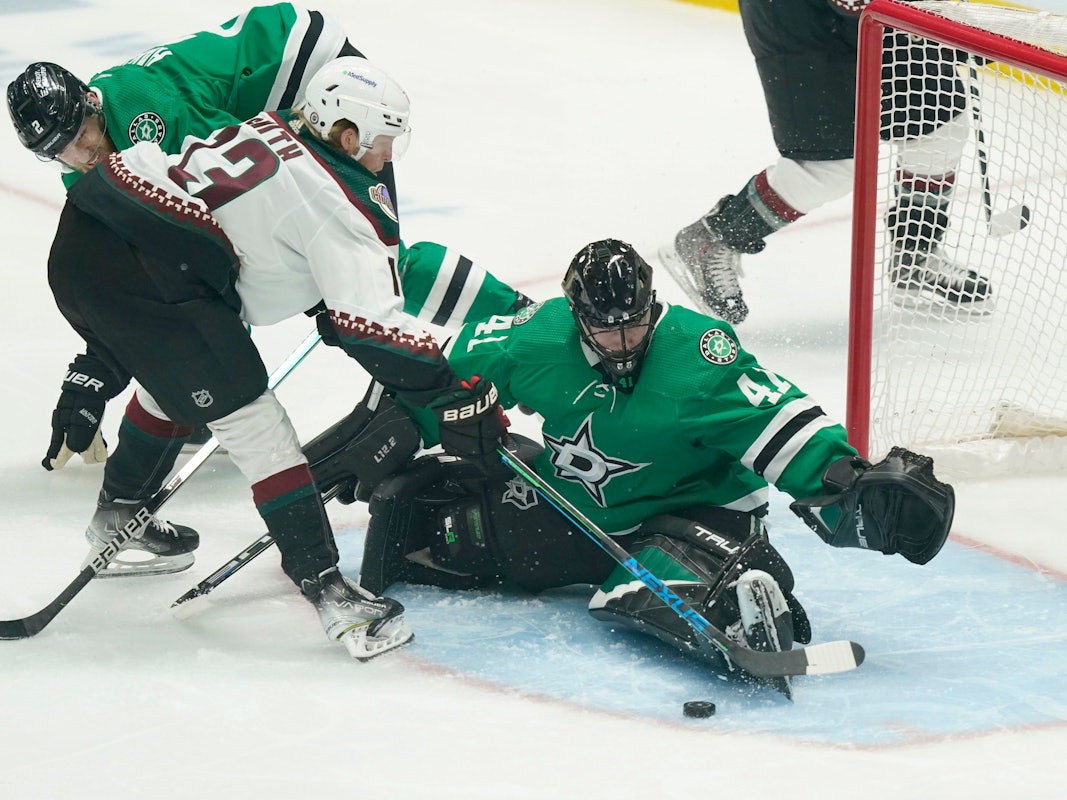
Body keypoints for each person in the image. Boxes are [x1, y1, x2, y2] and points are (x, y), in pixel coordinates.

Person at [302, 238, 955, 692]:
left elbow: (778, 419)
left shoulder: (700, 356)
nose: (621, 341)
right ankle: (695, 581)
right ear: (579, 317)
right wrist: (386, 427)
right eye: (605, 328)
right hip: (579, 504)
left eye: (633, 324)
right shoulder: (538, 338)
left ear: (650, 307)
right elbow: (440, 376)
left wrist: (844, 481)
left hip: (698, 510)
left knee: (659, 584)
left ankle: (740, 590)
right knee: (442, 540)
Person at [35, 56, 512, 661]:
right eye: (384, 143)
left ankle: (118, 515)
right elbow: (370, 330)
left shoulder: (276, 126)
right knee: (257, 427)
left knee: (173, 380)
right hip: (148, 278)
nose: (389, 159)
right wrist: (449, 395)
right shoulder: (339, 207)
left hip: (85, 237)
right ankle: (333, 595)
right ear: (348, 136)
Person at [6, 3, 527, 467]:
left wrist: (320, 290)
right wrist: (98, 368)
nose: (79, 155)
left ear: (91, 106)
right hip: (273, 87)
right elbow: (145, 267)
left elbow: (224, 212)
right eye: (56, 151)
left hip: (310, 71)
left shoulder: (146, 113)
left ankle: (521, 317)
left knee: (370, 250)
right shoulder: (83, 167)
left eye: (80, 136)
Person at [657, 0, 993, 324]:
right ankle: (713, 239)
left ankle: (915, 255)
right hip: (798, 18)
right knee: (828, 167)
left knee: (938, 127)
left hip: (878, 11)